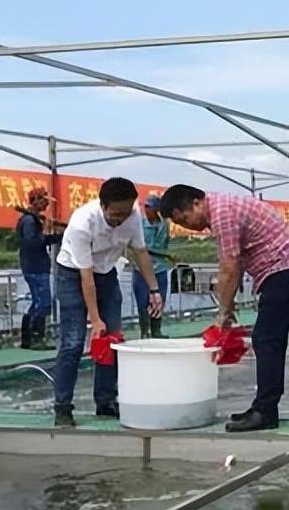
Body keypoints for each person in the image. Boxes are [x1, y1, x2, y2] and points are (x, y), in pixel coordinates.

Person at [158, 183, 289, 433]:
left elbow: (229, 269)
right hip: (287, 271)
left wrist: (222, 315)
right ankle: (263, 406)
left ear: (197, 202)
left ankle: (265, 411)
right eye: (183, 225)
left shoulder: (222, 213)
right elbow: (235, 265)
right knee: (268, 339)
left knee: (267, 339)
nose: (191, 227)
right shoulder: (223, 208)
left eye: (186, 218)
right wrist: (228, 308)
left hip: (286, 270)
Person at [53, 177, 163, 428]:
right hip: (73, 274)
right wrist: (94, 318)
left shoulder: (133, 218)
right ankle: (62, 407)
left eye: (125, 213)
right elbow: (86, 277)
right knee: (73, 342)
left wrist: (154, 290)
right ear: (103, 205)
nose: (120, 219)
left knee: (112, 340)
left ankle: (105, 401)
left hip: (107, 273)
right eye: (115, 214)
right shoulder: (83, 223)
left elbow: (141, 253)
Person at [16, 187, 62, 351]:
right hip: (35, 267)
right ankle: (36, 337)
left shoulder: (31, 220)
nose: (47, 204)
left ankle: (27, 338)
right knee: (43, 302)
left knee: (37, 302)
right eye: (44, 201)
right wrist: (55, 236)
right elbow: (33, 242)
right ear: (36, 201)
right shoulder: (29, 221)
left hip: (33, 266)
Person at [135, 193, 172, 338]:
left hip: (160, 268)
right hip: (142, 269)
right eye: (145, 206)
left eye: (149, 207)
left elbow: (164, 244)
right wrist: (163, 254)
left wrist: (164, 255)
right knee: (142, 301)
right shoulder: (139, 224)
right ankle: (145, 331)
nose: (146, 209)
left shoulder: (164, 224)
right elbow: (140, 247)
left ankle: (156, 330)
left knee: (159, 300)